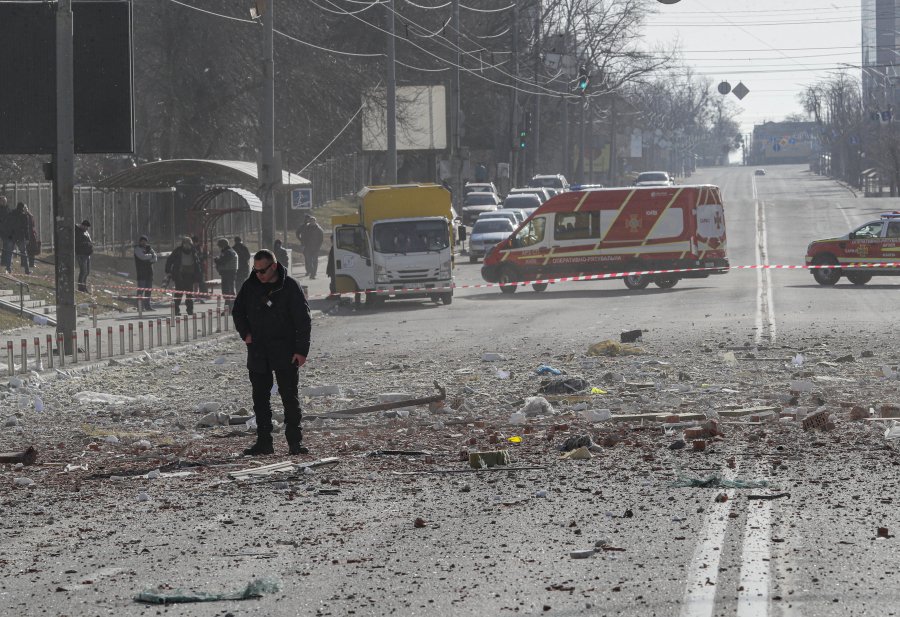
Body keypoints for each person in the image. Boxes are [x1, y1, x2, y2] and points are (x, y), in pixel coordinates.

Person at [232, 249, 311, 456]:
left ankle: (294, 443)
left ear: (274, 267)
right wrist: (245, 333)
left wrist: (301, 351)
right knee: (260, 400)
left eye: (263, 271)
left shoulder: (290, 287)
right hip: (258, 351)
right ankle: (264, 442)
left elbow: (303, 320)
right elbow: (237, 311)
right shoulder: (250, 286)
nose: (259, 275)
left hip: (285, 351)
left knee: (289, 398)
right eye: (255, 270)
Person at [165, 236, 202, 315]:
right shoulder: (178, 251)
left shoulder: (194, 251)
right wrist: (168, 270)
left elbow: (197, 263)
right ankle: (176, 310)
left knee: (189, 294)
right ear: (183, 244)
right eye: (185, 243)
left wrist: (198, 274)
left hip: (190, 274)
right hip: (180, 274)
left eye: (189, 243)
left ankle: (190, 310)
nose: (187, 245)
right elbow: (170, 259)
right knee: (179, 293)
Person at [133, 235, 157, 311]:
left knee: (148, 291)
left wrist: (150, 258)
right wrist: (150, 256)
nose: (144, 242)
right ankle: (139, 307)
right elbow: (142, 257)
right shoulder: (137, 249)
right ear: (140, 242)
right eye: (142, 241)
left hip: (149, 273)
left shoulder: (149, 248)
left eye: (145, 241)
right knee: (141, 291)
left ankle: (148, 306)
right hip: (141, 273)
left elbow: (155, 258)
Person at [213, 237, 238, 309]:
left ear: (222, 245)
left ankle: (230, 308)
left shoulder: (228, 252)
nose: (219, 247)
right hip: (228, 273)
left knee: (228, 291)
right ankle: (229, 308)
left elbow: (223, 261)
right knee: (227, 291)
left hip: (228, 273)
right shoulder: (227, 251)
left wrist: (217, 260)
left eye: (219, 245)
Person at [8, 202, 32, 275]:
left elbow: (8, 224)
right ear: (22, 208)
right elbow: (26, 228)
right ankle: (27, 270)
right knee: (23, 253)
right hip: (20, 236)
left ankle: (8, 269)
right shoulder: (24, 216)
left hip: (12, 235)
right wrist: (27, 238)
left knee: (10, 252)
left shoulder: (11, 213)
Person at [75, 219, 93, 292]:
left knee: (87, 272)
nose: (87, 229)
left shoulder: (86, 232)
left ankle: (84, 286)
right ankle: (80, 287)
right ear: (83, 226)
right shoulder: (78, 232)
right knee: (83, 271)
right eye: (86, 227)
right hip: (81, 254)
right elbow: (78, 243)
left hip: (87, 254)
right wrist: (88, 244)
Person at [0, 197, 13, 273]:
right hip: (2, 232)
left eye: (4, 201)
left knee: (9, 250)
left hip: (7, 233)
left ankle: (8, 267)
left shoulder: (8, 210)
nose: (3, 202)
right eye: (2, 201)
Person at [24, 205, 39, 270]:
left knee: (32, 250)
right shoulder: (22, 216)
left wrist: (35, 233)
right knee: (26, 250)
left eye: (26, 208)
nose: (26, 209)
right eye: (24, 208)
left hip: (32, 235)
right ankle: (26, 264)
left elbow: (33, 225)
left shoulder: (31, 216)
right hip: (25, 235)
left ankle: (31, 263)